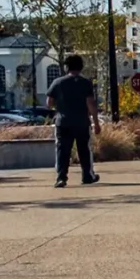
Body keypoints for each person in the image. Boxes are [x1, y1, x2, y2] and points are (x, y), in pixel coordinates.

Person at [48, 55, 100, 187]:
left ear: (67, 67)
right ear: (81, 67)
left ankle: (61, 177)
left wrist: (60, 107)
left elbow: (49, 102)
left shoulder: (58, 82)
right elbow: (90, 103)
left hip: (63, 122)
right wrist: (96, 122)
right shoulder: (85, 83)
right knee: (84, 150)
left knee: (62, 150)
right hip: (82, 122)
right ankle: (87, 175)